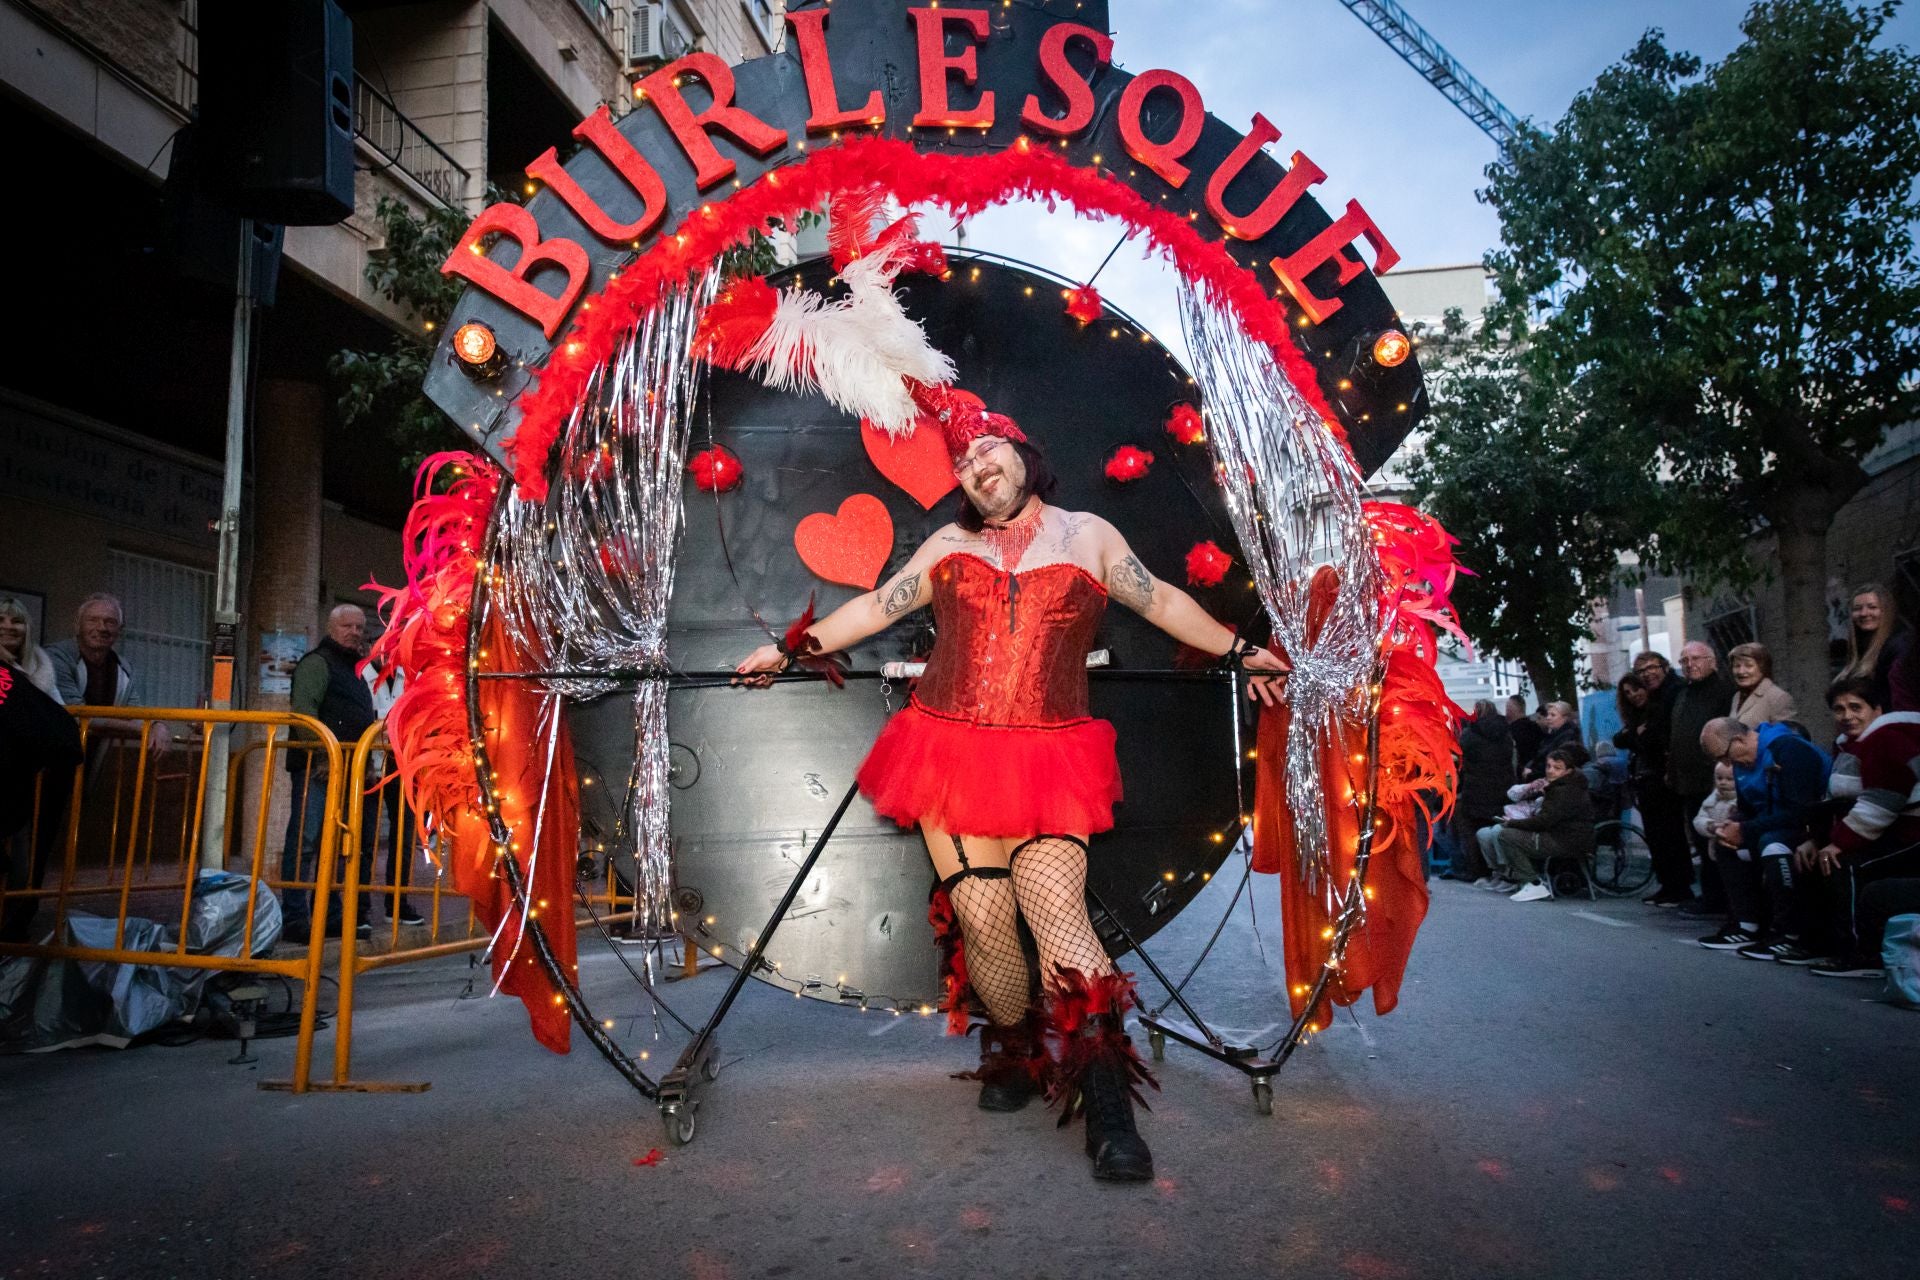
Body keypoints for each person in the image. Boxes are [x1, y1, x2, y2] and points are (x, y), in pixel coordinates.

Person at [733, 389, 1288, 1183]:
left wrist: (1240, 652)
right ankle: (1018, 1048)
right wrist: (790, 649)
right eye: (961, 459)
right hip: (946, 748)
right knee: (984, 921)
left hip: (1050, 755)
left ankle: (1107, 1106)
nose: (975, 465)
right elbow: (874, 608)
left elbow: (1161, 599)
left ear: (1026, 455)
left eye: (987, 447)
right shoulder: (948, 543)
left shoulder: (1088, 536)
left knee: (1056, 911)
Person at [1797, 679, 1920, 978]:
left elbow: (1881, 802)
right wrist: (1815, 839)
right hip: (1887, 828)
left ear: (1877, 709)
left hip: (1911, 833)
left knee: (1842, 864)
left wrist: (1838, 844)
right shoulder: (1851, 746)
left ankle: (1859, 954)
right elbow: (1837, 799)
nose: (1846, 715)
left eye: (1856, 707)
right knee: (1813, 857)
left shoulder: (1888, 738)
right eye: (1838, 709)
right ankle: (1818, 943)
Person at [1696, 717, 1829, 963]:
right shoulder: (1741, 763)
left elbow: (1800, 812)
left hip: (1811, 827)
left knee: (1772, 845)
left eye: (1725, 756)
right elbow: (1748, 809)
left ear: (1738, 740)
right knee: (1726, 844)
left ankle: (1790, 933)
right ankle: (1747, 925)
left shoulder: (1788, 750)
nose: (1725, 764)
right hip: (1774, 824)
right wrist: (1733, 825)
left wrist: (1746, 829)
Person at [283, 604, 380, 942]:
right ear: (331, 628)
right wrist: (323, 756)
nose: (355, 632)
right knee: (306, 842)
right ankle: (294, 917)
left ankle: (331, 914)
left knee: (340, 845)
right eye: (348, 626)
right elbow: (305, 714)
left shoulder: (355, 670)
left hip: (350, 772)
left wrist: (365, 767)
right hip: (317, 770)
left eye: (360, 627)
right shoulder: (317, 663)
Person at [0, 657, 82, 942]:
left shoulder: (13, 675)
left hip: (13, 792)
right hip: (13, 794)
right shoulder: (12, 676)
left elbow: (57, 727)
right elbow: (60, 729)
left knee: (22, 869)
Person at [43, 593, 171, 753]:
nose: (102, 627)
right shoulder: (56, 657)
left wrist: (157, 725)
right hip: (51, 753)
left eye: (110, 622)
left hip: (93, 756)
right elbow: (78, 713)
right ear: (78, 625)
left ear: (120, 630)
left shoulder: (124, 667)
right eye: (93, 620)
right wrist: (142, 729)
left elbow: (134, 711)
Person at [1616, 657, 1689, 905]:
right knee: (1657, 837)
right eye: (1628, 693)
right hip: (1645, 781)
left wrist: (1637, 737)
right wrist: (1634, 735)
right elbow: (1622, 738)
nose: (1634, 695)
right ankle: (1667, 885)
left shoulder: (1660, 707)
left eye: (1636, 689)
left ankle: (1679, 887)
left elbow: (1653, 741)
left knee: (1670, 835)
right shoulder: (1637, 717)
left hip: (1661, 780)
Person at [1668, 642, 1735, 917]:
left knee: (1714, 840)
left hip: (1713, 779)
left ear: (1712, 661)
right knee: (1699, 836)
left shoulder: (1723, 692)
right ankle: (1710, 895)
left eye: (1695, 659)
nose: (1689, 664)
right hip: (1687, 779)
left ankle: (1720, 898)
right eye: (1684, 660)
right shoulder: (1684, 693)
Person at [363, 653, 423, 927]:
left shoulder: (412, 677)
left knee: (404, 837)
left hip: (403, 765)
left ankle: (397, 902)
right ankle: (359, 905)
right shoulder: (361, 675)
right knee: (364, 838)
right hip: (367, 765)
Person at [1488, 747, 1595, 902]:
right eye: (1548, 766)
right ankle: (1523, 880)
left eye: (1557, 768)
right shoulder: (1566, 786)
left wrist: (1513, 823)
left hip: (1563, 840)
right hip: (1568, 837)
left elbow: (1544, 821)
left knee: (1506, 836)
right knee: (1504, 833)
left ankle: (1533, 883)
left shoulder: (1563, 791)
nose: (1550, 771)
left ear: (1568, 771)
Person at [1450, 700, 1515, 882]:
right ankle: (1502, 871)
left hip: (1476, 789)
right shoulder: (1506, 734)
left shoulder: (1470, 735)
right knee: (1496, 828)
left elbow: (1458, 756)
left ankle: (1478, 871)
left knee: (1470, 831)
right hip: (1503, 788)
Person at [1836, 583, 1912, 712]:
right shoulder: (1860, 648)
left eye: (1872, 607)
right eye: (1857, 608)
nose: (1864, 613)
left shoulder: (1899, 645)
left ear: (1886, 611)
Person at [0, 597, 59, 700]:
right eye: (0, 620)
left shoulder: (41, 665)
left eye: (16, 621)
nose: (8, 626)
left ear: (27, 628)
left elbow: (60, 708)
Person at [1727, 641, 1797, 726]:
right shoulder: (1737, 697)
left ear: (1763, 668)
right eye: (1737, 666)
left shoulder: (1778, 698)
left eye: (1749, 665)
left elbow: (1785, 736)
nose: (1741, 672)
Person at [1520, 700, 1580, 781]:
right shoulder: (1554, 734)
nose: (1548, 717)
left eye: (1553, 715)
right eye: (1548, 714)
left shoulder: (1568, 737)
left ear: (1565, 718)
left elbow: (1555, 762)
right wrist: (1528, 767)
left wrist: (1532, 773)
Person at [1506, 695, 1545, 776]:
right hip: (1536, 770)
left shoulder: (1511, 731)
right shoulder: (1536, 727)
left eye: (1507, 707)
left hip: (1521, 772)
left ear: (1511, 709)